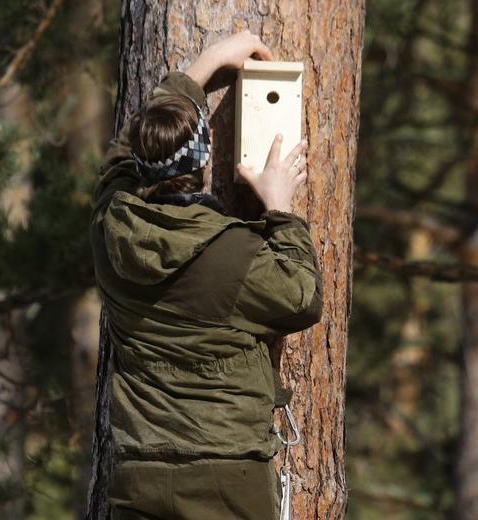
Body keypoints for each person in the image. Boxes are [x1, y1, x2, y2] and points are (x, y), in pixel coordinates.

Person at [90, 31, 322, 520]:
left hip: (140, 474)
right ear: (204, 157)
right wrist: (280, 209)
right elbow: (302, 297)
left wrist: (200, 67)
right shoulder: (234, 252)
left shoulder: (111, 229)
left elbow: (119, 159)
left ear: (141, 165)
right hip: (228, 475)